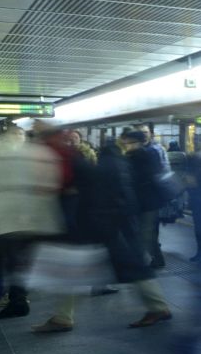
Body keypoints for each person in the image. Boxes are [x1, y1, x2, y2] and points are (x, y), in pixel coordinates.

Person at [32, 129, 171, 332]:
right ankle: (157, 306)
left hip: (97, 222)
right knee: (128, 265)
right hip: (105, 221)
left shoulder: (98, 161)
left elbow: (91, 189)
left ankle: (63, 318)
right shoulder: (114, 160)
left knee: (91, 266)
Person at [0, 119, 63, 321]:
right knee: (7, 261)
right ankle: (9, 297)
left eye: (20, 135)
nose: (17, 139)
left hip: (18, 221)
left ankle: (16, 298)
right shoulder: (21, 155)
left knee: (13, 261)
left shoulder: (17, 156)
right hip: (8, 221)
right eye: (13, 135)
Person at [121, 129, 172, 270]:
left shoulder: (142, 156)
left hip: (147, 202)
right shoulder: (142, 155)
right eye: (126, 143)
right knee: (149, 232)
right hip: (147, 201)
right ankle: (156, 259)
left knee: (146, 233)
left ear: (139, 142)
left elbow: (141, 178)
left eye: (131, 143)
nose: (127, 145)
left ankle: (142, 262)